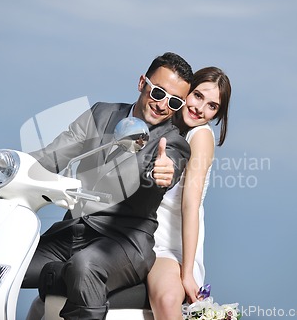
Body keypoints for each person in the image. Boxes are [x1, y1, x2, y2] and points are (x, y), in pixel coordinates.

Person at [17, 52, 193, 320]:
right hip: (71, 232)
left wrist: (161, 176)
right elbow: (51, 156)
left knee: (84, 266)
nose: (162, 105)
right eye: (158, 93)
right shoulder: (101, 114)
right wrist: (1, 173)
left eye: (175, 101)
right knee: (5, 261)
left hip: (124, 243)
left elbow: (162, 175)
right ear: (142, 83)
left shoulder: (173, 143)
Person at [147, 67, 232, 320]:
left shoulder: (201, 136)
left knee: (168, 298)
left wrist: (186, 273)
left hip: (170, 244)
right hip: (140, 231)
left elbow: (190, 205)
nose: (200, 109)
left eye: (212, 106)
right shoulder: (164, 121)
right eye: (197, 96)